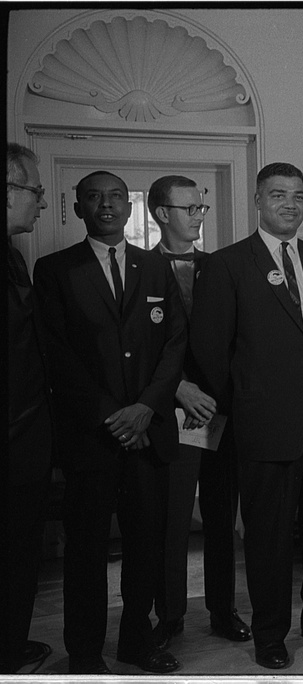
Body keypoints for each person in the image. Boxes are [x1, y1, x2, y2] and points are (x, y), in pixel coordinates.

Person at [190, 162, 303, 670]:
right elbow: (210, 352)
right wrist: (245, 410)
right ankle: (270, 632)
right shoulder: (226, 265)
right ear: (259, 201)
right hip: (264, 426)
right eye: (279, 195)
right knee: (267, 538)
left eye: (298, 195)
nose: (291, 204)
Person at [33, 170, 188, 674]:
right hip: (91, 438)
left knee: (146, 547)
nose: (107, 204)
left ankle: (136, 644)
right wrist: (112, 415)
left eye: (117, 197)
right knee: (87, 551)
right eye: (94, 197)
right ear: (78, 208)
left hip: (150, 433)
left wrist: (147, 406)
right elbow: (56, 354)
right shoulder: (54, 269)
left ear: (131, 207)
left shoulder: (154, 266)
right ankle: (83, 652)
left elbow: (174, 344)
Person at [146, 176, 251, 651]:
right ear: (161, 213)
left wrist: (219, 395)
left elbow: (238, 337)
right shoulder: (139, 267)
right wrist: (179, 389)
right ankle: (168, 616)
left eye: (201, 208)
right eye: (189, 208)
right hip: (171, 413)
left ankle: (223, 611)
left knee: (222, 518)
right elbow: (137, 347)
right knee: (170, 522)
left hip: (222, 413)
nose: (198, 216)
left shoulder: (221, 266)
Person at [2, 143, 53, 674]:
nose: (40, 203)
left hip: (25, 440)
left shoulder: (14, 255)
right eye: (35, 191)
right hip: (14, 440)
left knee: (19, 557)